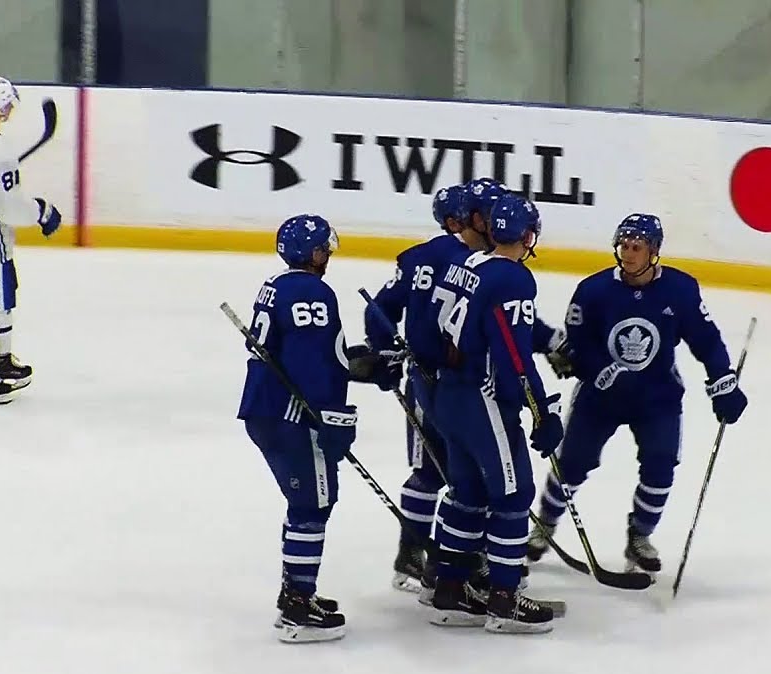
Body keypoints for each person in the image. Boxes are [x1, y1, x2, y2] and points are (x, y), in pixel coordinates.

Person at [366, 179, 569, 600]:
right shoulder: (492, 269)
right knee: (487, 484)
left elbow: (385, 312)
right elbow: (509, 346)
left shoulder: (455, 264)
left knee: (460, 484)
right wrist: (537, 405)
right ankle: (476, 577)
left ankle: (445, 572)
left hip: (436, 384)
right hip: (471, 389)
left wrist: (387, 355)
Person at [525, 213, 748, 575]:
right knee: (572, 465)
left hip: (657, 396)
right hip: (600, 398)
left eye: (636, 247)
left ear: (653, 251)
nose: (628, 254)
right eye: (624, 246)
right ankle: (545, 524)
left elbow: (705, 339)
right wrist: (604, 372)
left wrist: (722, 380)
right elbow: (577, 344)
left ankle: (640, 536)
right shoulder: (593, 290)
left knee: (661, 467)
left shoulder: (680, 289)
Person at [237, 214, 393, 643]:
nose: (328, 256)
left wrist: (366, 365)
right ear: (312, 252)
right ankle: (297, 608)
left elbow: (307, 351)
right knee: (313, 504)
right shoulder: (313, 291)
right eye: (324, 248)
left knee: (305, 501)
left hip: (265, 410)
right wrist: (331, 414)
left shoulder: (277, 285)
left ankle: (296, 592)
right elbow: (311, 363)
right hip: (294, 416)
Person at [425, 193, 564, 634]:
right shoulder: (515, 281)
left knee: (467, 493)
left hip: (447, 394)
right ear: (526, 235)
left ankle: (448, 590)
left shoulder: (462, 265)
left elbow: (432, 325)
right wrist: (542, 409)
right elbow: (514, 358)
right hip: (482, 400)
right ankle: (504, 601)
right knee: (513, 495)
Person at [0, 75, 63, 404]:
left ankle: (0, 358)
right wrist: (42, 212)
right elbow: (10, 209)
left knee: (1, 302)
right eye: (3, 108)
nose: (6, 114)